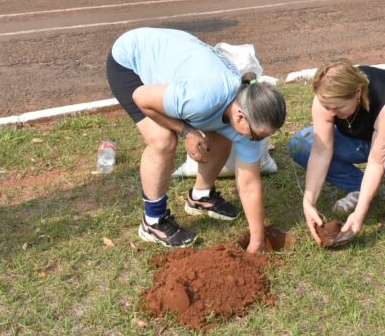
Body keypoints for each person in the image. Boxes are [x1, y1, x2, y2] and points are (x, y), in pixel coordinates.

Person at [106, 27, 287, 252]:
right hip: (130, 60)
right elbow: (141, 98)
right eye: (257, 135)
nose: (257, 140)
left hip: (179, 60)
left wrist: (258, 241)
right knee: (163, 140)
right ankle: (152, 221)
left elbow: (249, 185)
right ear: (240, 115)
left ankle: (200, 197)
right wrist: (186, 132)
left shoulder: (244, 112)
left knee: (222, 136)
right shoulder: (201, 99)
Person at [289, 60, 385, 243]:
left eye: (337, 108)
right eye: (327, 107)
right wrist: (308, 201)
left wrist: (359, 213)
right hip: (363, 137)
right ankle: (359, 187)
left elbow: (376, 162)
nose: (331, 113)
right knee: (301, 145)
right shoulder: (326, 97)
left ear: (358, 92)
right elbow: (320, 152)